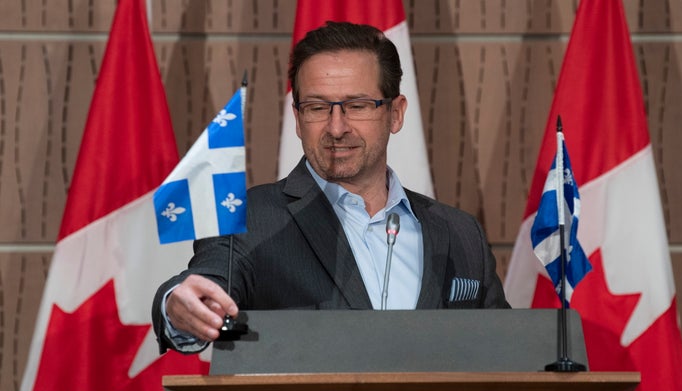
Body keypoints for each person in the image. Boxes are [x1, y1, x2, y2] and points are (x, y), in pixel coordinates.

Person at [152, 21, 510, 354]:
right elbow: (203, 286)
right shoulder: (250, 218)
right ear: (297, 118)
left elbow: (506, 354)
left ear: (396, 113)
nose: (337, 128)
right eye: (317, 107)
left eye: (356, 105)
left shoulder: (461, 233)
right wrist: (177, 305)